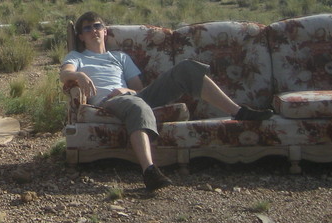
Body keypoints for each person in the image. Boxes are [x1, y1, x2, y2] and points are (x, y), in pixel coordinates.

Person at [60, 11, 273, 191]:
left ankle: (239, 112)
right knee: (137, 106)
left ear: (105, 31)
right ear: (81, 36)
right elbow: (64, 73)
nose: (94, 30)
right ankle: (149, 171)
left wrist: (126, 89)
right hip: (109, 101)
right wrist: (78, 76)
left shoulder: (121, 57)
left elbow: (138, 88)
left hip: (132, 95)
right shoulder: (79, 57)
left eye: (98, 26)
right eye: (88, 28)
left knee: (187, 68)